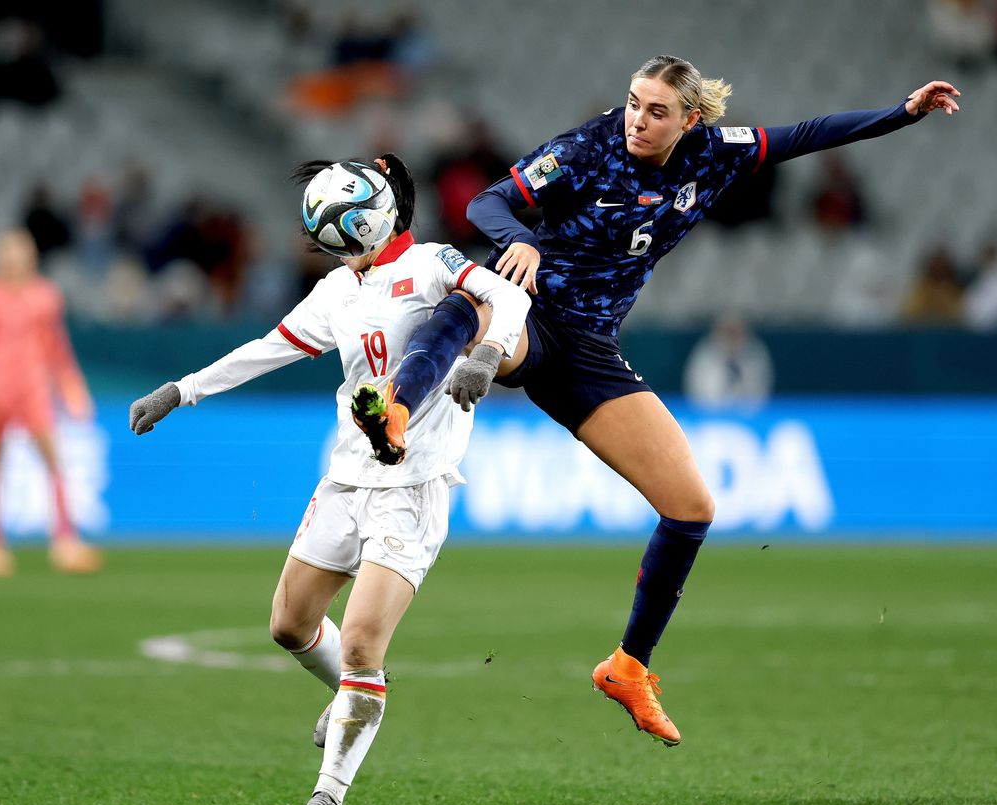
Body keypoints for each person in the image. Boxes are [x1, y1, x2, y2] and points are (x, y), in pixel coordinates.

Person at [381, 55, 960, 747]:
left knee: (692, 507)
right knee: (477, 301)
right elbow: (486, 203)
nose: (637, 119)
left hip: (592, 350)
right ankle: (399, 406)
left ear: (690, 118)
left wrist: (903, 111)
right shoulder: (588, 147)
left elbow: (807, 134)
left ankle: (628, 666)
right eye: (633, 103)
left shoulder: (714, 155)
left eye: (656, 111)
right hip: (532, 311)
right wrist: (524, 242)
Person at [127, 155, 529, 805]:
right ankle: (354, 694)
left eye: (335, 234)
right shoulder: (336, 291)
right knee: (288, 624)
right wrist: (183, 390)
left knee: (365, 643)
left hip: (413, 484)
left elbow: (513, 298)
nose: (333, 248)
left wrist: (487, 352)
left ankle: (329, 792)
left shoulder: (435, 264)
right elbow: (266, 349)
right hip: (345, 478)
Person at [0, 229, 101, 577]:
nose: (15, 262)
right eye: (9, 255)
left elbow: (57, 348)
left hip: (33, 390)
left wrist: (72, 386)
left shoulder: (45, 296)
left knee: (53, 460)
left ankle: (65, 540)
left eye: (21, 255)